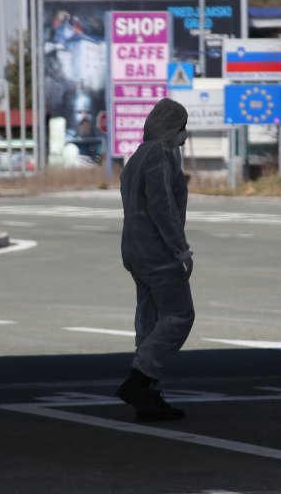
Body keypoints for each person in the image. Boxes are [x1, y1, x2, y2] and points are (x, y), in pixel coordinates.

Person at [116, 98, 194, 422]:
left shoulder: (136, 157)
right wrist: (181, 250)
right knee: (179, 315)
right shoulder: (160, 154)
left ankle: (148, 396)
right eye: (182, 127)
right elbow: (162, 208)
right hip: (157, 250)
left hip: (135, 249)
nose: (184, 135)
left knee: (148, 319)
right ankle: (139, 381)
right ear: (171, 127)